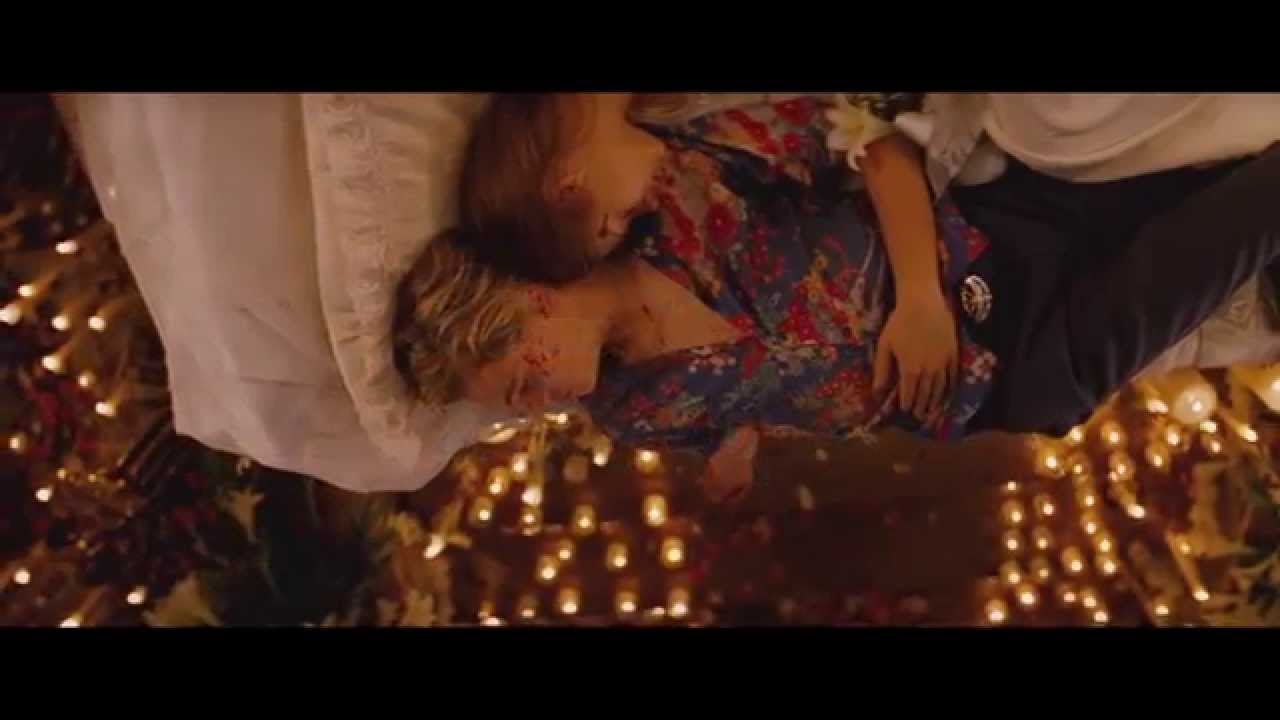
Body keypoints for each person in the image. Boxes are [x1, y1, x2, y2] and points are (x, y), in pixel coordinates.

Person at [393, 93, 1280, 459]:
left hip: (988, 249)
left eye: (517, 380)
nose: (531, 406)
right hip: (1005, 388)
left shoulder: (682, 198)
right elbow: (749, 406)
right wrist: (740, 445)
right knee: (1240, 228)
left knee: (1227, 188)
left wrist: (920, 300)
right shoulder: (631, 413)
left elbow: (869, 143)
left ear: (528, 302)